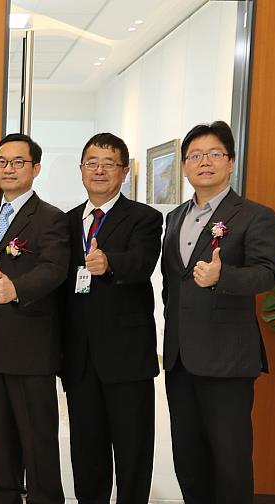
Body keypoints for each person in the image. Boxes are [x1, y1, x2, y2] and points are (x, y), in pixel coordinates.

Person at [162, 121, 275, 503]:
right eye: (195, 155)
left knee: (230, 462)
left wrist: (222, 276)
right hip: (180, 359)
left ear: (230, 162)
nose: (204, 162)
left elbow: (266, 273)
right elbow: (172, 284)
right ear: (184, 165)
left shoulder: (255, 215)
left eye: (214, 154)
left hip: (228, 360)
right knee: (188, 459)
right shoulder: (175, 218)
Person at [61, 133, 162, 503]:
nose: (99, 170)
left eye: (109, 164)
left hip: (127, 355)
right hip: (80, 357)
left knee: (133, 449)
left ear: (123, 172)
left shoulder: (145, 218)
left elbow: (142, 262)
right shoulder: (66, 221)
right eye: (92, 163)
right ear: (81, 170)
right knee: (86, 449)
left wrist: (109, 263)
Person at [0, 133, 68, 504]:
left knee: (37, 437)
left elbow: (54, 269)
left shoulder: (51, 218)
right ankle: (5, 497)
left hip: (31, 347)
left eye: (18, 162)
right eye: (2, 161)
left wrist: (17, 288)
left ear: (36, 168)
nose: (9, 169)